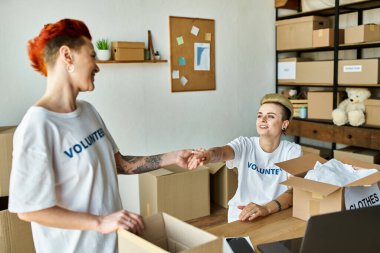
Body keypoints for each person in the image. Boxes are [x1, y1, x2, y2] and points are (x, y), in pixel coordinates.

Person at [8, 18, 195, 253]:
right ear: (67, 56)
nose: (97, 66)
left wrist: (173, 157)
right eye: (92, 55)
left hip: (111, 245)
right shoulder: (37, 126)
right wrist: (99, 222)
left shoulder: (88, 111)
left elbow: (123, 165)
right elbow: (28, 209)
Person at [189, 93, 302, 222]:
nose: (263, 119)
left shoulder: (292, 151)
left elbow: (295, 191)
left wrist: (267, 209)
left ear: (284, 124)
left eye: (270, 116)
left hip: (275, 214)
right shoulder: (244, 144)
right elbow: (221, 152)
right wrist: (208, 155)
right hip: (242, 215)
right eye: (260, 115)